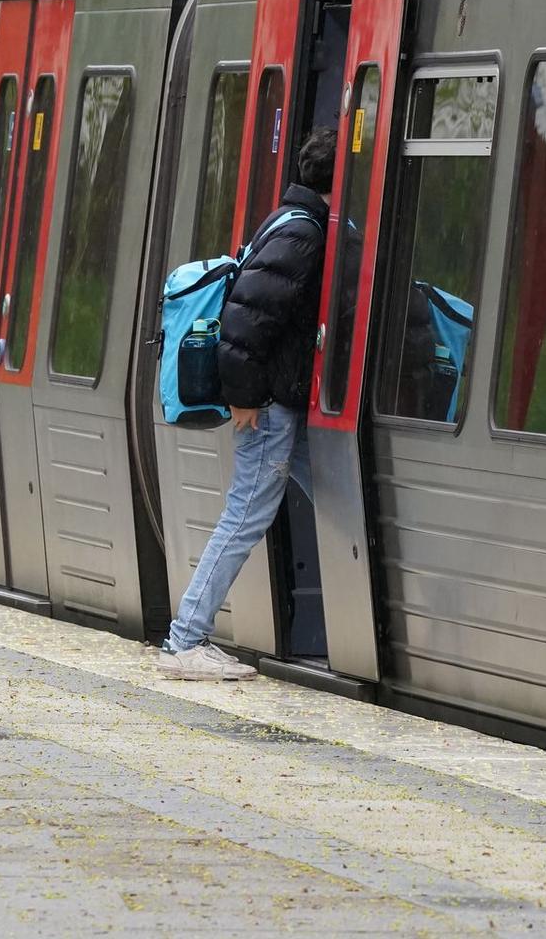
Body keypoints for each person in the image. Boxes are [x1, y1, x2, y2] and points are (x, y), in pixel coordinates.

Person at [157, 127, 335, 681]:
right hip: (269, 406)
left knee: (342, 494)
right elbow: (243, 322)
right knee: (245, 516)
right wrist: (246, 398)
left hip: (278, 402)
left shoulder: (289, 221)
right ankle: (186, 640)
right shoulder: (302, 235)